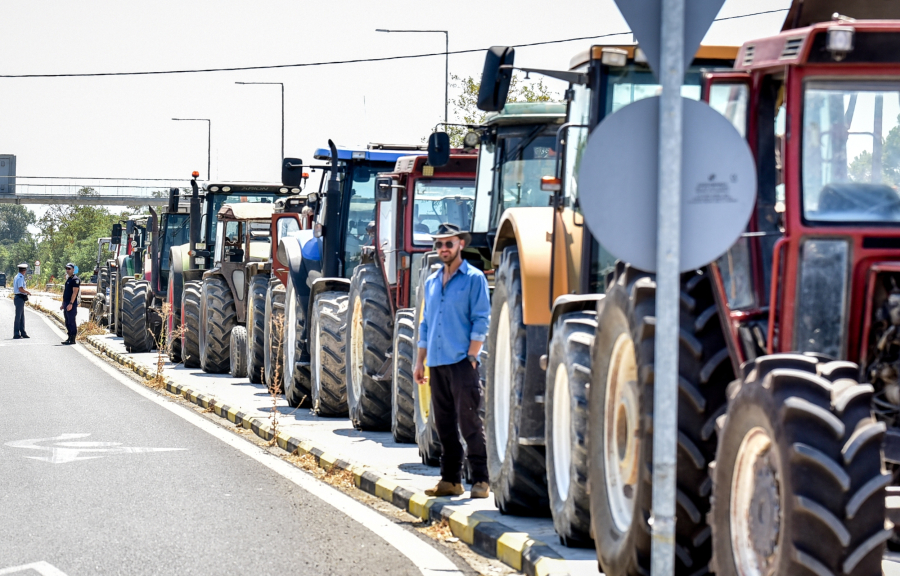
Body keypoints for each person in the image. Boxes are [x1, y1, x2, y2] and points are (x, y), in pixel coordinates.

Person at [413, 223, 491, 499]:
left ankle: (480, 480)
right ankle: (450, 480)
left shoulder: (474, 278)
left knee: (468, 420)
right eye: (439, 244)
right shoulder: (433, 282)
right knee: (443, 423)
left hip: (461, 361)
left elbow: (481, 319)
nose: (443, 249)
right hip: (436, 361)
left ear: (460, 244)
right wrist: (420, 362)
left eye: (449, 243)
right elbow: (425, 324)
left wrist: (472, 355)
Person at [60, 263, 80, 345]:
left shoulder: (75, 279)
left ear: (73, 269)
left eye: (69, 269)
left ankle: (73, 338)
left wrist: (71, 303)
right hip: (66, 303)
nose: (67, 270)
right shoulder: (68, 279)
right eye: (66, 269)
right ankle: (69, 337)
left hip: (71, 303)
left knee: (71, 321)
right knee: (67, 321)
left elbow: (74, 293)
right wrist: (63, 304)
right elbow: (66, 293)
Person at [12, 263, 30, 339]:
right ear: (24, 270)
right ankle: (16, 333)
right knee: (18, 316)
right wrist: (27, 292)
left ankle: (22, 332)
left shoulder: (17, 276)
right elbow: (20, 288)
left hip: (20, 297)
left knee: (21, 316)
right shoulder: (20, 277)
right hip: (19, 297)